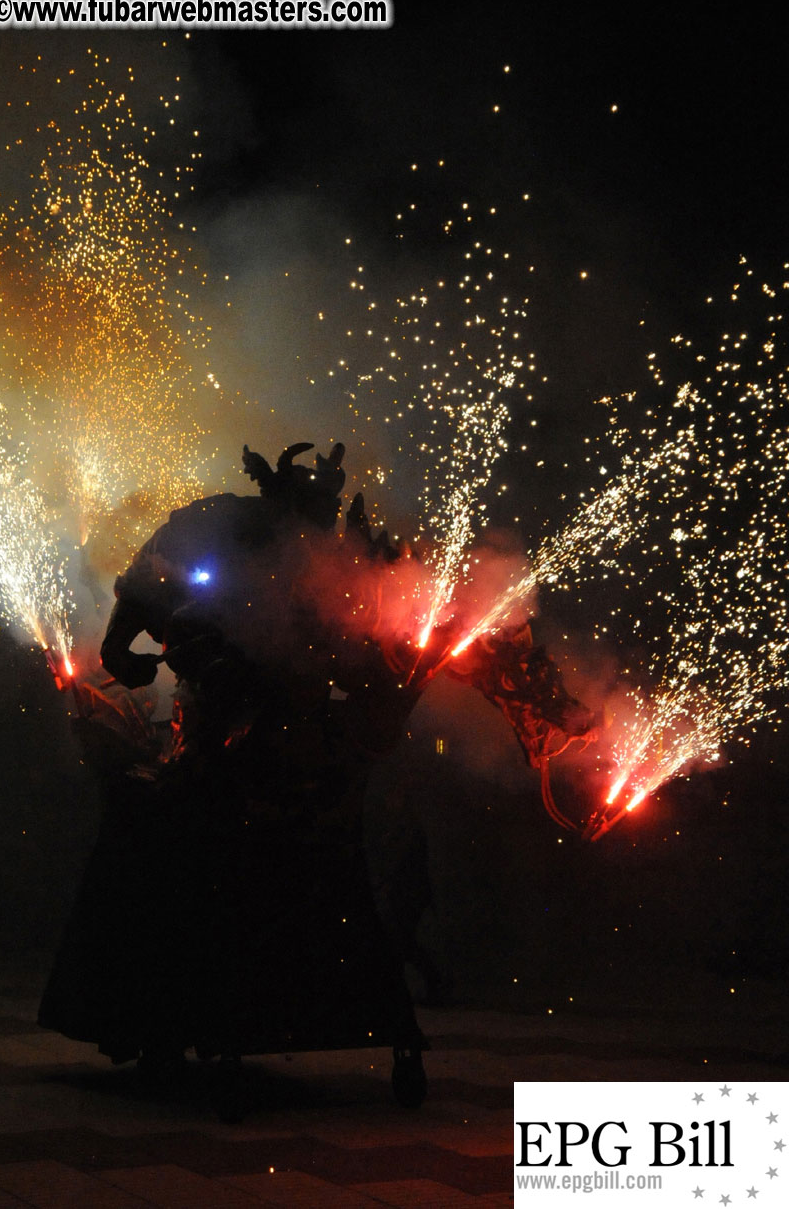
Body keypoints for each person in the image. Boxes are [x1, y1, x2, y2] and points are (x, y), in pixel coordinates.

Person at [40, 440, 592, 1114]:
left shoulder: (349, 562)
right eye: (308, 511)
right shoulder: (224, 528)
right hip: (232, 746)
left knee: (239, 851)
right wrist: (126, 649)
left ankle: (194, 1019)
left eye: (323, 515)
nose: (315, 528)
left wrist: (542, 709)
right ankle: (171, 1019)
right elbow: (148, 587)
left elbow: (449, 632)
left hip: (305, 764)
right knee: (173, 838)